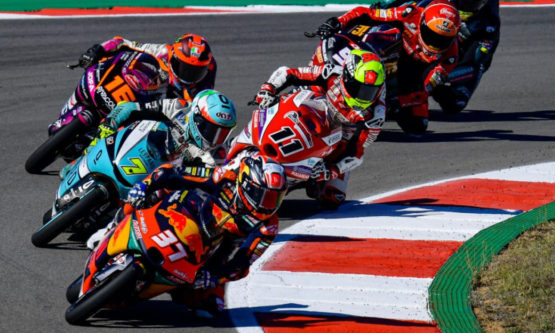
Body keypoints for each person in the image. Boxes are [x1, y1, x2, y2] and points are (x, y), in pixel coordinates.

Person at [120, 152, 287, 317]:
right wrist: (144, 186)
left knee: (213, 305)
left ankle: (165, 286)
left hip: (214, 247)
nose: (268, 205)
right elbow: (172, 173)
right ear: (246, 184)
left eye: (275, 198)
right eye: (264, 196)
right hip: (185, 210)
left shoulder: (268, 226)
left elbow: (242, 265)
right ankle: (116, 223)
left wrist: (214, 278)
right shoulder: (225, 177)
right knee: (149, 193)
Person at [252, 48, 386, 209]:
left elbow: (356, 154)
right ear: (348, 78)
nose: (363, 97)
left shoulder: (375, 116)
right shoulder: (332, 73)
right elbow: (289, 73)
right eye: (360, 89)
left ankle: (295, 181)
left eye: (370, 92)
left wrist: (331, 170)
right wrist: (268, 89)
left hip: (332, 148)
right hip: (303, 113)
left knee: (333, 198)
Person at [314, 1, 460, 136]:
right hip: (384, 53)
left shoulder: (450, 57)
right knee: (389, 33)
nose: (435, 44)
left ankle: (379, 104)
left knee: (417, 126)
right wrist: (338, 22)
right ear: (422, 23)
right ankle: (347, 70)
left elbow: (425, 89)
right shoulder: (410, 14)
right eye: (431, 35)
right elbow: (367, 13)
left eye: (442, 40)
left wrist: (396, 102)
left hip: (410, 76)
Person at [366, 0, 501, 113]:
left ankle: (410, 97)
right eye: (459, 0)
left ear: (483, 0)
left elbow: (475, 64)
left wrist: (439, 78)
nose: (464, 7)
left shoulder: (488, 26)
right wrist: (382, 5)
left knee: (456, 103)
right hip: (435, 43)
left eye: (471, 3)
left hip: (461, 57)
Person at [97, 88, 238, 169]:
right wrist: (108, 126)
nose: (215, 138)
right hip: (136, 151)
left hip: (154, 182)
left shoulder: (212, 158)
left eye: (222, 133)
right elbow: (128, 107)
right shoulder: (179, 107)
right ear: (196, 116)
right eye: (211, 129)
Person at [78, 33, 216, 101]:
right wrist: (97, 51)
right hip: (139, 93)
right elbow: (123, 43)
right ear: (173, 56)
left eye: (196, 72)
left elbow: (202, 108)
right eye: (184, 68)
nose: (188, 75)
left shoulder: (205, 79)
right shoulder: (162, 52)